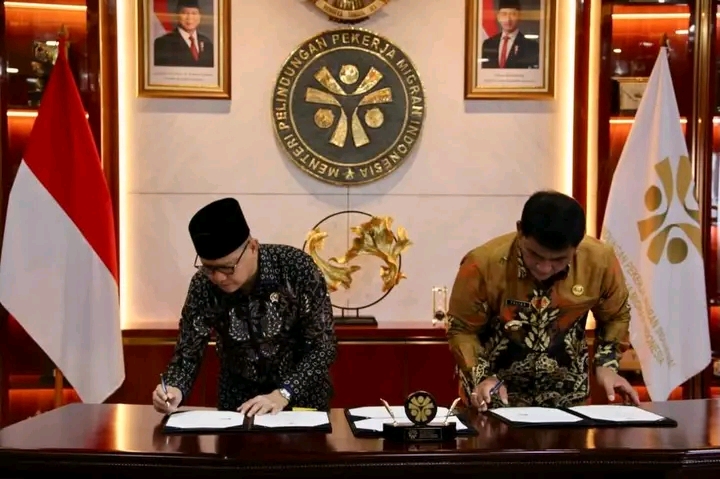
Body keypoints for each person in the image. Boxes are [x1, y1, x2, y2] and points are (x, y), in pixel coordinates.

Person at [446, 190, 639, 411]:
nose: (545, 268)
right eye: (535, 255)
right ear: (520, 231)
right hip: (493, 399)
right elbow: (462, 328)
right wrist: (481, 376)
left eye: (559, 259)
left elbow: (616, 316)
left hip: (569, 403)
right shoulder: (482, 264)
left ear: (577, 245)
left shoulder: (599, 261)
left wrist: (607, 365)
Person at [152, 197, 337, 416]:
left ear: (253, 247)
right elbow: (188, 351)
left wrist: (283, 393)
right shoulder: (203, 284)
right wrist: (174, 389)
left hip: (300, 398)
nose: (218, 278)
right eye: (209, 268)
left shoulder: (296, 267)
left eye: (227, 267)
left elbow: (323, 346)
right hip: (238, 404)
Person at [153, 0, 214, 68]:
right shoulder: (163, 43)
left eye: (194, 13)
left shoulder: (207, 43)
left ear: (200, 16)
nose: (190, 17)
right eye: (185, 13)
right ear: (177, 15)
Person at [480, 0, 539, 69]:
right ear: (498, 17)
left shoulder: (531, 46)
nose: (508, 19)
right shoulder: (487, 44)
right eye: (504, 14)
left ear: (520, 16)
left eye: (513, 14)